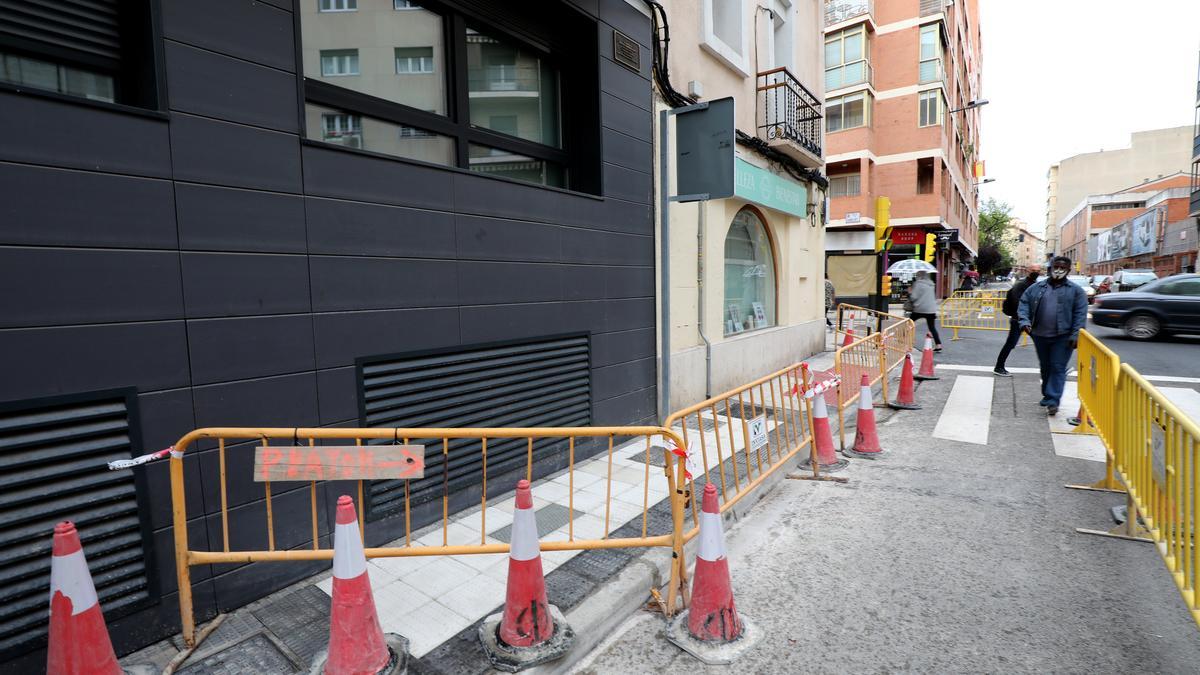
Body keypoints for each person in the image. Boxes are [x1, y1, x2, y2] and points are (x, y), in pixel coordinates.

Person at [1018, 256, 1088, 416]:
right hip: (1039, 335)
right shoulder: (1037, 288)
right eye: (1056, 266)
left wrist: (1076, 334)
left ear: (1068, 270)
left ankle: (1053, 400)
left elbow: (1080, 314)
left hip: (1063, 337)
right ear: (1049, 268)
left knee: (1058, 367)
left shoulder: (1076, 291)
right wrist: (1024, 321)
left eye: (1063, 268)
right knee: (1045, 366)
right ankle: (1048, 394)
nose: (1058, 270)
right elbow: (1024, 303)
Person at [992, 268, 1041, 376]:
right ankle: (999, 367)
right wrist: (1024, 316)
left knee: (1041, 342)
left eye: (1038, 269)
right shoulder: (1021, 285)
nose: (1036, 271)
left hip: (1028, 320)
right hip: (1019, 320)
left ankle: (1050, 369)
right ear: (1028, 271)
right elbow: (1016, 301)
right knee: (1011, 344)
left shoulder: (1035, 284)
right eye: (1033, 269)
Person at [906, 270, 943, 351]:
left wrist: (909, 292)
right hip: (931, 309)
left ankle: (902, 338)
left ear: (919, 275)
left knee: (909, 323)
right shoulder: (931, 284)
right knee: (932, 327)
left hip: (919, 309)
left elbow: (913, 297)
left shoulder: (918, 284)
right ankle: (938, 344)